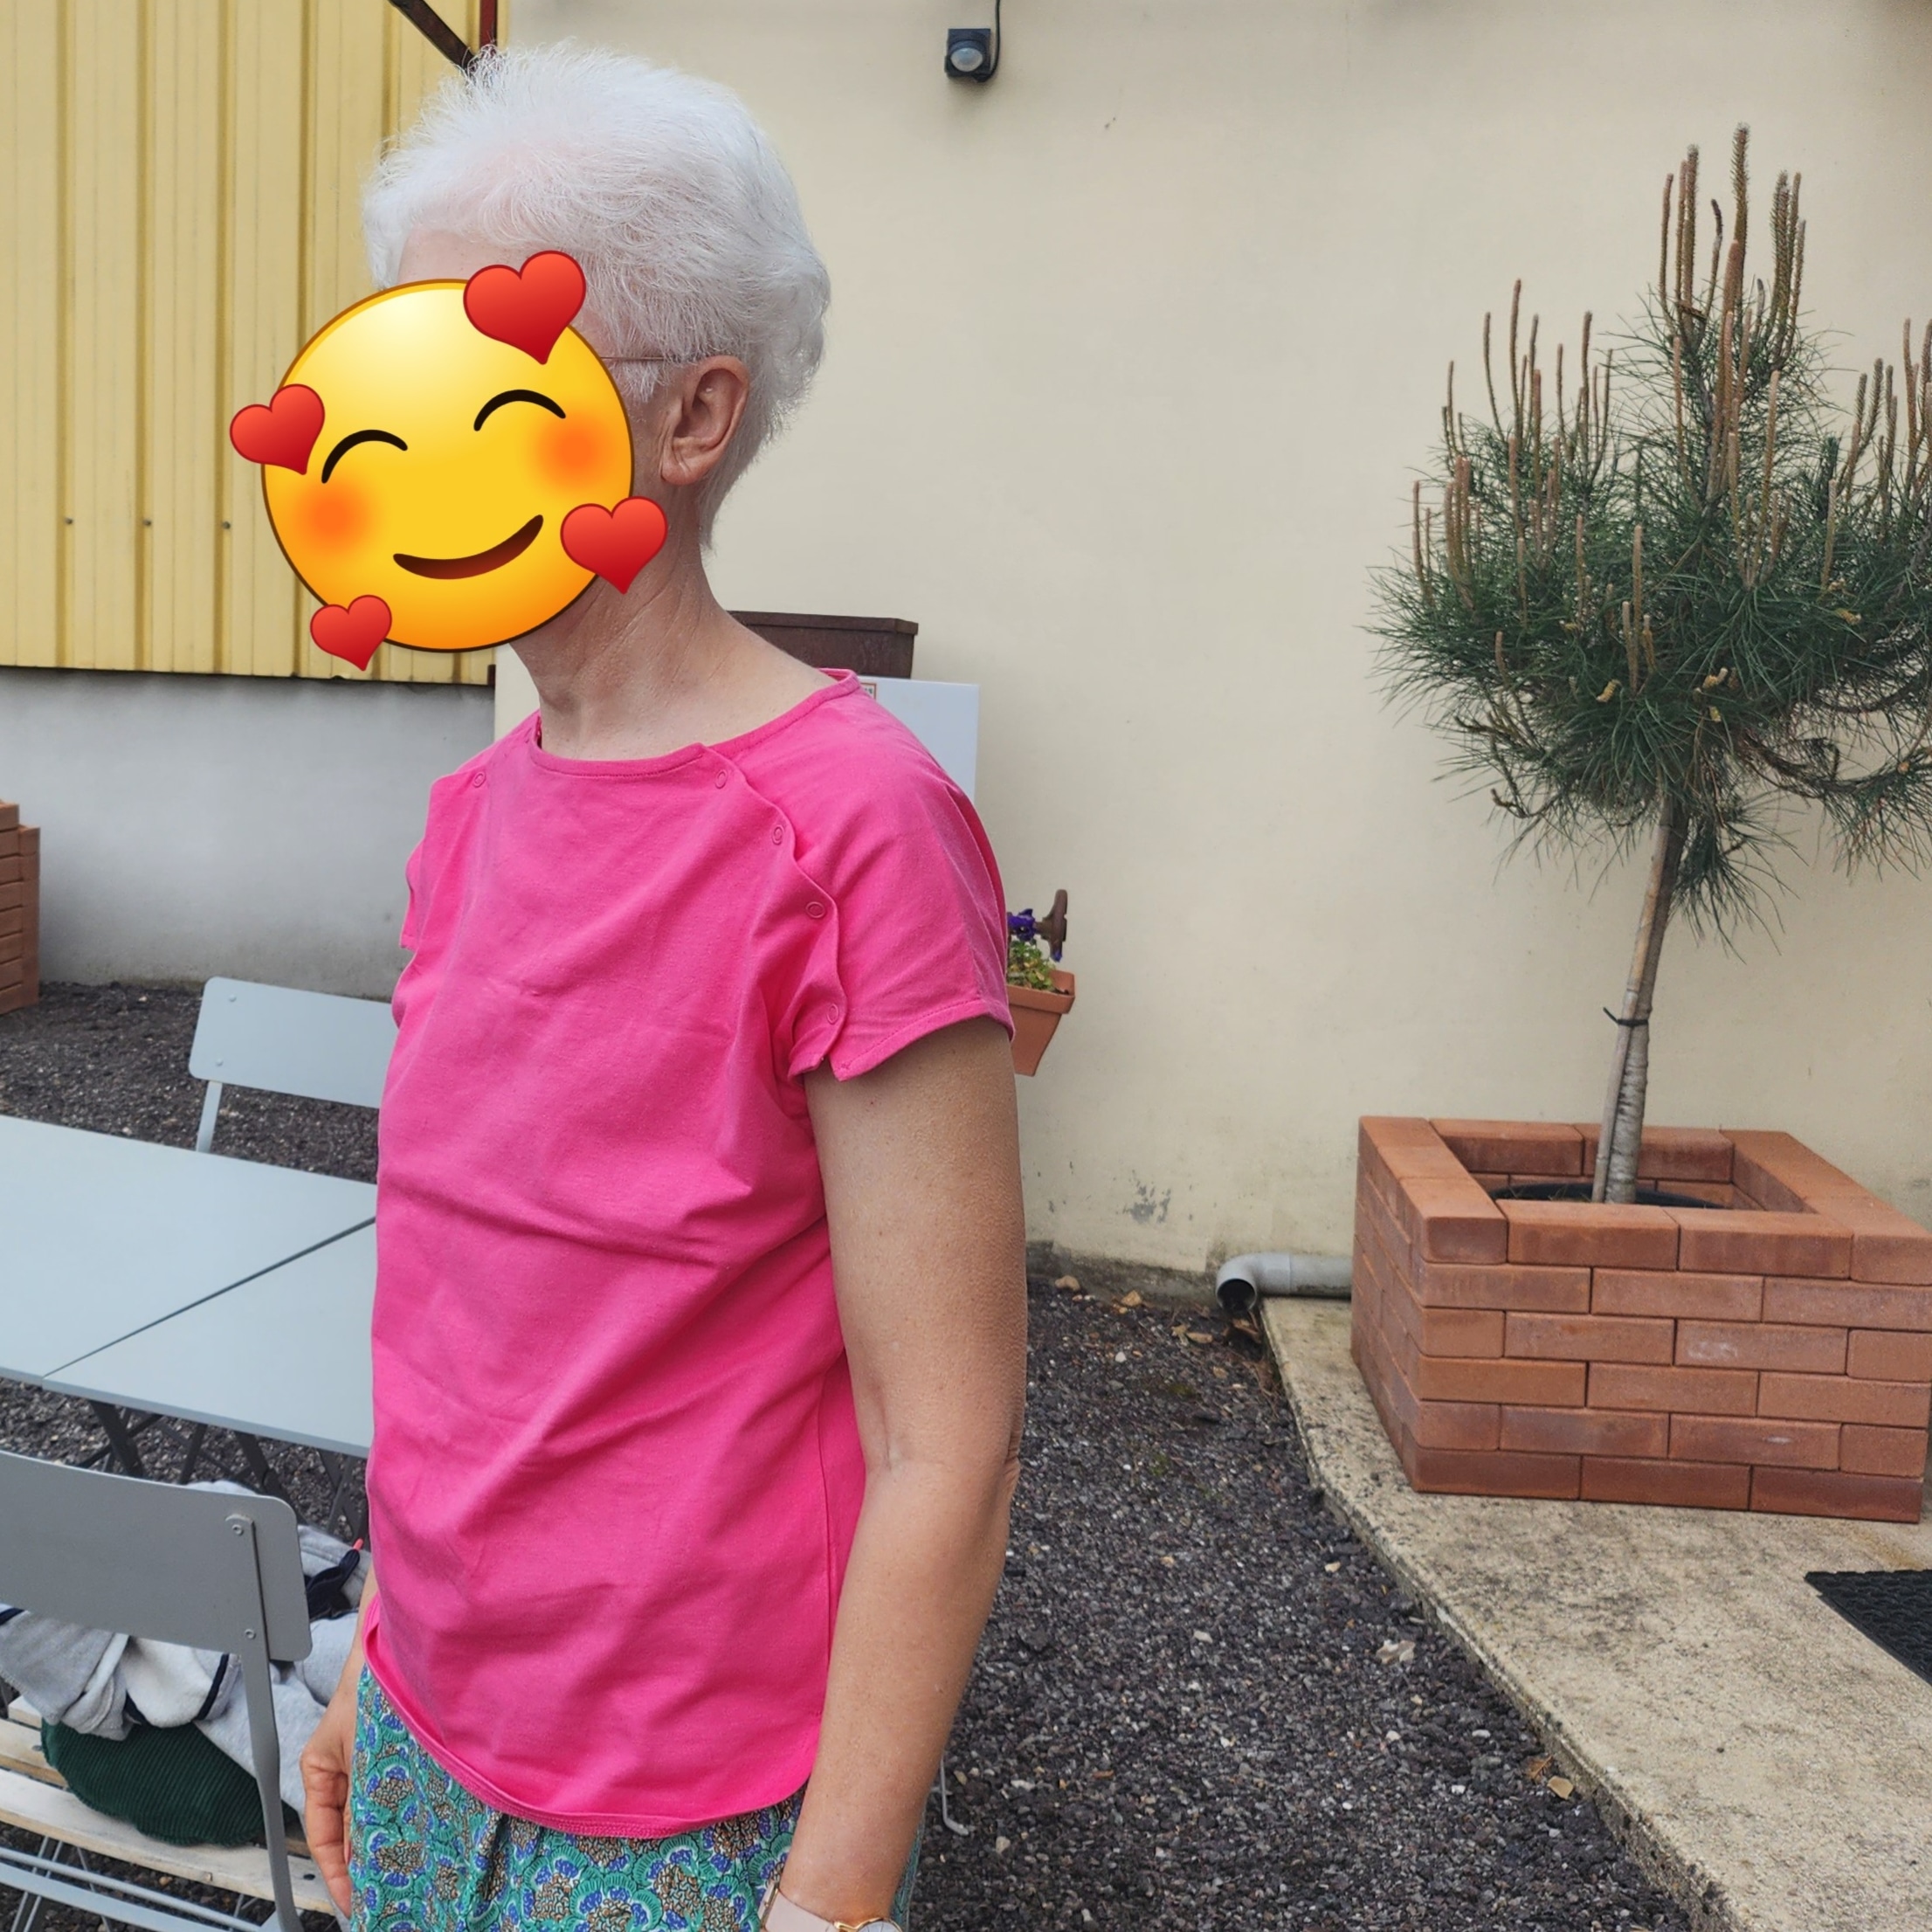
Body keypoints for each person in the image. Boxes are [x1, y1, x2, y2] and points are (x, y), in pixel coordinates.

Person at [297, 43, 1027, 1932]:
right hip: (432, 1740)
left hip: (692, 1819)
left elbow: (945, 1440)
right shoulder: (469, 816)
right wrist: (380, 1654)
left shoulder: (853, 831)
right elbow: (470, 1319)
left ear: (693, 414)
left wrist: (830, 1897)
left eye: (478, 373)